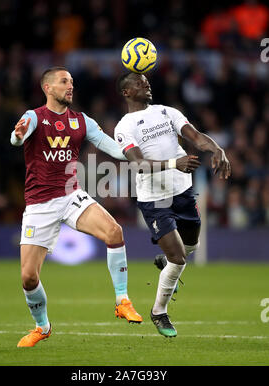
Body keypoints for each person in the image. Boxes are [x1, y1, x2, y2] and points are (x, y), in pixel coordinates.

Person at [11, 67, 142, 348]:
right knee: (28, 277)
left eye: (71, 82)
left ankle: (122, 300)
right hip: (39, 205)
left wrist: (139, 144)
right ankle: (42, 326)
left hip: (72, 196)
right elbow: (17, 137)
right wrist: (18, 135)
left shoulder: (83, 122)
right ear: (47, 88)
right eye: (63, 81)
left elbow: (115, 150)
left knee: (114, 232)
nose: (70, 86)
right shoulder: (34, 117)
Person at [115, 72, 231, 338]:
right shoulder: (124, 126)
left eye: (147, 81)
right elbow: (139, 165)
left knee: (192, 245)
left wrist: (217, 150)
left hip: (182, 191)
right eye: (139, 82)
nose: (147, 84)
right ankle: (159, 312)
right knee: (179, 258)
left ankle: (167, 265)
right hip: (155, 199)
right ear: (127, 92)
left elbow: (197, 136)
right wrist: (173, 163)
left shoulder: (168, 112)